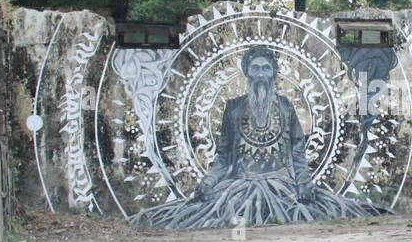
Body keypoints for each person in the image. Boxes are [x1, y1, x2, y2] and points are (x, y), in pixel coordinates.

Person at [133, 45, 387, 228]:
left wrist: (304, 182)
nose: (261, 73)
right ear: (247, 72)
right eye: (255, 68)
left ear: (274, 73)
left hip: (282, 185)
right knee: (206, 215)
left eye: (267, 68)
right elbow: (223, 155)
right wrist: (209, 182)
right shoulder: (233, 108)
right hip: (240, 184)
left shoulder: (286, 106)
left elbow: (297, 150)